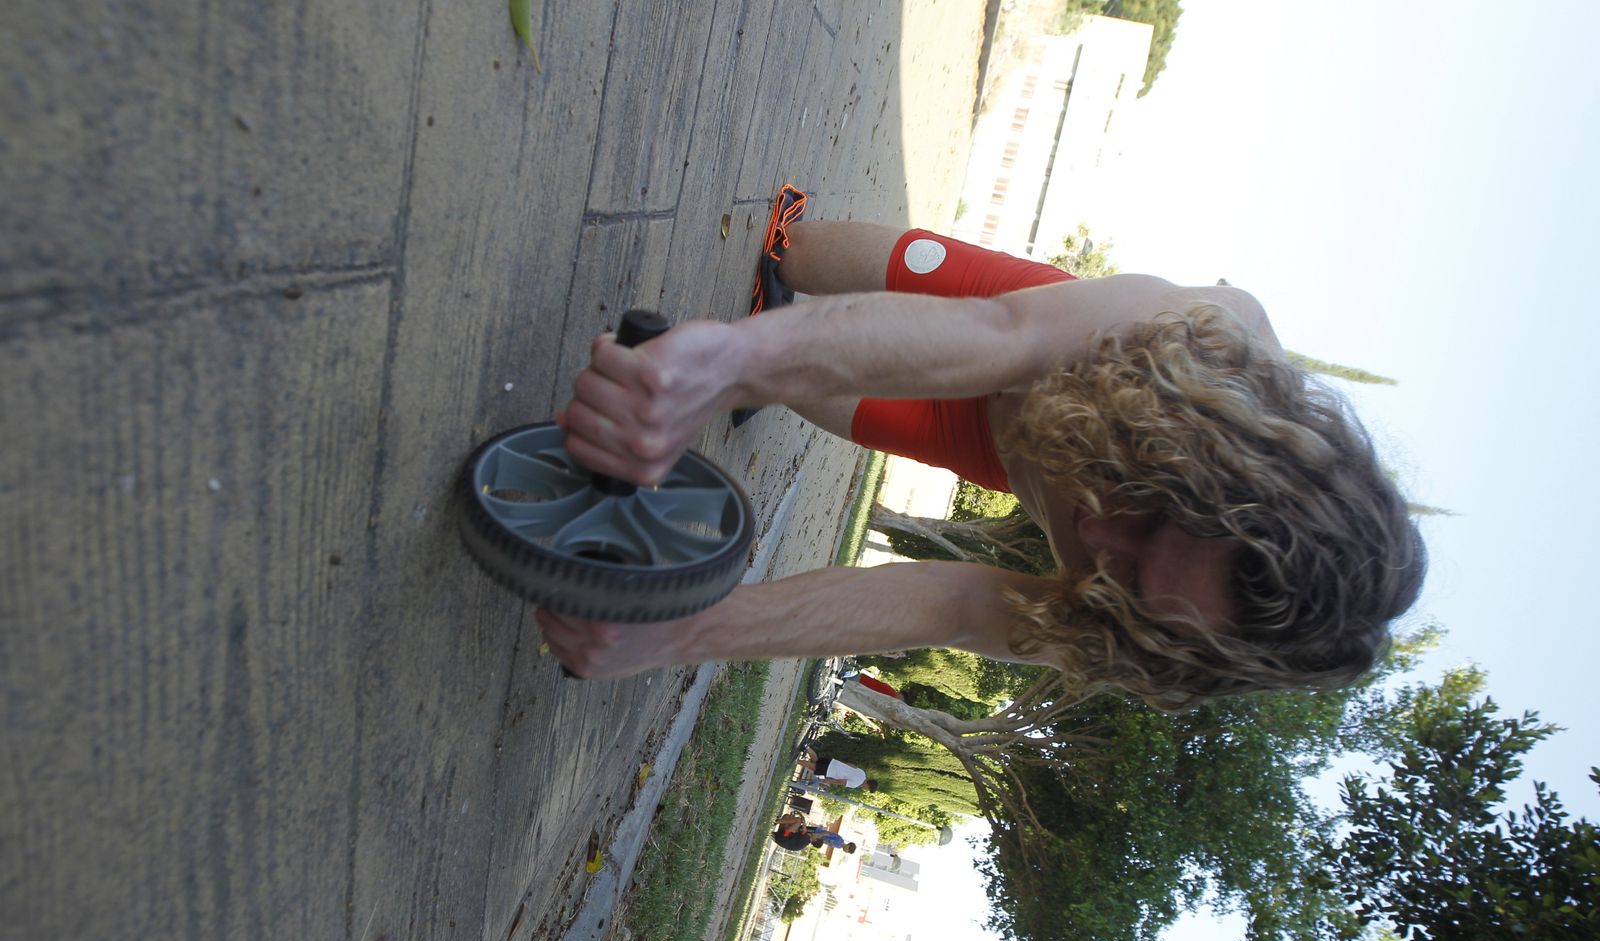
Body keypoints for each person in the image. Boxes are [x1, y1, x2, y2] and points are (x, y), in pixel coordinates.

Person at [541, 204, 1426, 709]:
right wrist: (717, 366)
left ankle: (767, 345)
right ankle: (783, 263)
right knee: (801, 261)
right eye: (1155, 507)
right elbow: (997, 335)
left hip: (996, 452)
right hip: (1041, 348)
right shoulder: (1209, 346)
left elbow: (955, 605)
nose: (1100, 529)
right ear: (1224, 447)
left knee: (780, 362)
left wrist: (682, 632)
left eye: (1132, 574)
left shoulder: (1162, 647)